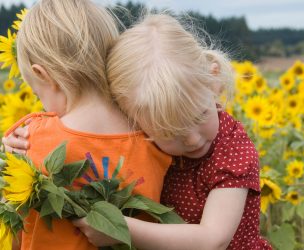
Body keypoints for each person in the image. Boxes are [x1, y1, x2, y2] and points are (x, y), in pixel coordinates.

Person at [3, 13, 272, 250]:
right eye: (169, 131)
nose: (191, 139)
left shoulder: (232, 151)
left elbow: (213, 240)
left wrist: (120, 229)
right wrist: (20, 143)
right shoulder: (142, 133)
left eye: (199, 115)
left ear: (213, 82)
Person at [4, 2, 171, 250]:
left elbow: (14, 235)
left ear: (42, 75)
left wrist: (9, 163)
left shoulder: (28, 139)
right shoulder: (157, 135)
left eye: (38, 94)